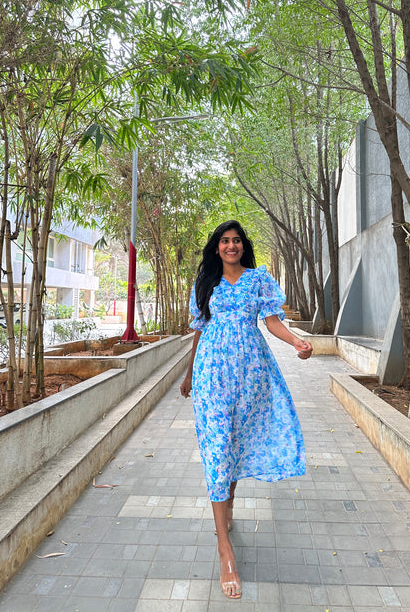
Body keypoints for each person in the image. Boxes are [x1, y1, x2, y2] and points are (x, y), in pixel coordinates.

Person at [180, 220, 312, 600]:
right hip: (212, 377)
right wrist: (189, 376)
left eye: (236, 240)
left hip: (251, 375)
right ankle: (226, 552)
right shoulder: (205, 283)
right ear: (216, 247)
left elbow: (272, 324)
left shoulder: (258, 280)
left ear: (243, 246)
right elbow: (199, 332)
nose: (231, 246)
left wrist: (298, 343)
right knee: (218, 453)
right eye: (225, 241)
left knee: (233, 447)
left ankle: (228, 504)